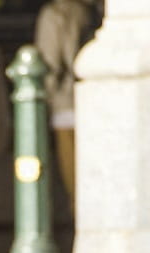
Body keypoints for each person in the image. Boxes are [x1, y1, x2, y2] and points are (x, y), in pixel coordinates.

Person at [34, 0, 100, 217]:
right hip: (96, 102)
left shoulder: (54, 14)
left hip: (66, 107)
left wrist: (44, 101)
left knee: (76, 186)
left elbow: (47, 65)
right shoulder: (94, 10)